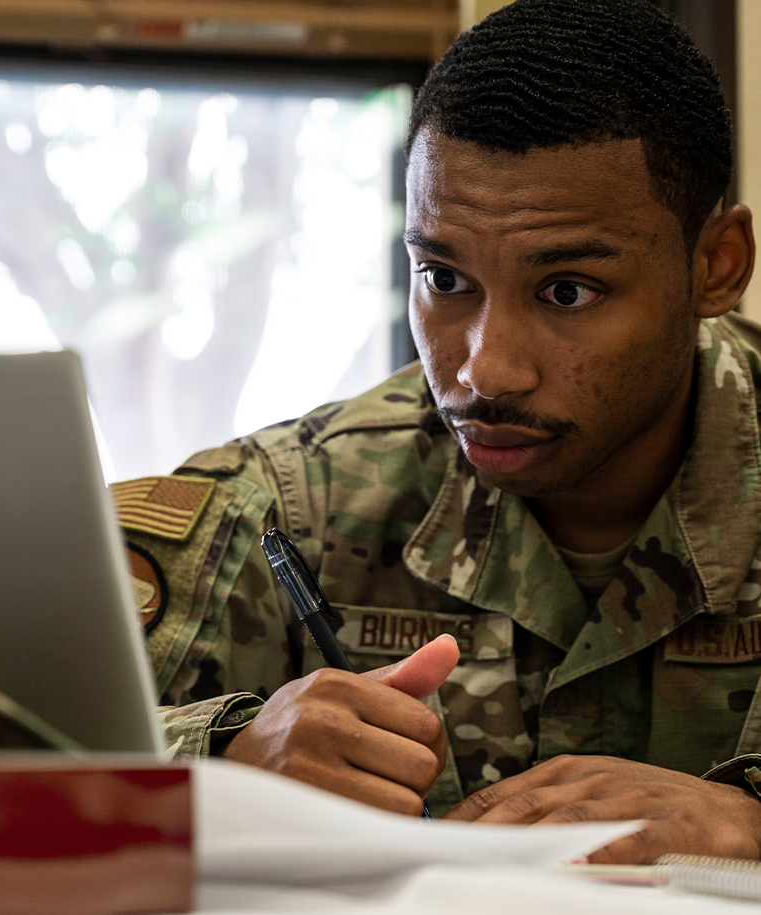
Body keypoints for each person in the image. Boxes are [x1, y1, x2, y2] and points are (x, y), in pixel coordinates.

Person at [113, 0, 761, 864]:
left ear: (717, 267)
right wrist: (219, 762)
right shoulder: (293, 505)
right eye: (445, 277)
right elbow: (19, 751)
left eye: (568, 290)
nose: (486, 372)